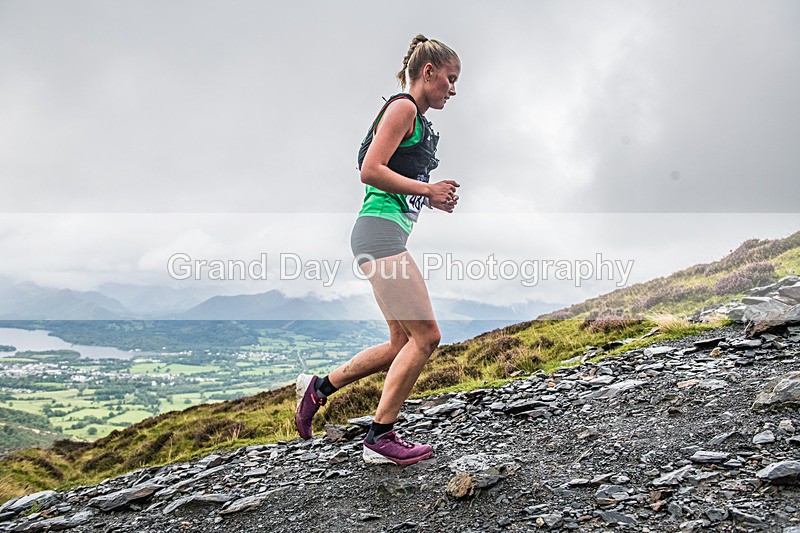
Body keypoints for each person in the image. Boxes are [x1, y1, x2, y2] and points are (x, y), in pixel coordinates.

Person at [294, 34, 461, 466]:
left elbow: (393, 174)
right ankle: (379, 437)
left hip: (383, 233)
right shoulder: (403, 107)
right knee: (427, 337)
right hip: (379, 234)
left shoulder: (417, 119)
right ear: (428, 72)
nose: (453, 89)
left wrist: (430, 198)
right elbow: (371, 170)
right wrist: (428, 188)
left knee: (399, 342)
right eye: (450, 78)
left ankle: (319, 388)